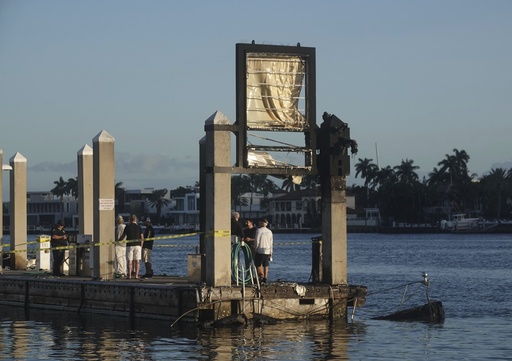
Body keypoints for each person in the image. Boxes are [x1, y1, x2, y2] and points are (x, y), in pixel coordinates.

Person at [119, 214, 144, 279]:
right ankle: (136, 275)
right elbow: (142, 237)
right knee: (137, 261)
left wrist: (118, 240)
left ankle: (129, 275)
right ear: (135, 219)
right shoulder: (139, 227)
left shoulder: (127, 227)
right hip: (137, 245)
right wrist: (141, 245)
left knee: (129, 261)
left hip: (129, 245)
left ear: (130, 219)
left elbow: (123, 236)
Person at [254, 218, 273, 284]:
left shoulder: (259, 230)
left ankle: (261, 277)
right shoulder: (270, 231)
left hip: (260, 250)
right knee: (266, 265)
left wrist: (255, 248)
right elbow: (271, 243)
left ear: (262, 223)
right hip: (267, 250)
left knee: (258, 264)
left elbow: (257, 241)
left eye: (260, 222)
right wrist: (271, 252)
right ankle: (265, 278)